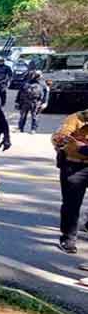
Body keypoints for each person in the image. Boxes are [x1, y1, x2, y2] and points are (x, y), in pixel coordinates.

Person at [51, 109, 88, 254]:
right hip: (75, 166)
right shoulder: (75, 118)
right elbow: (61, 137)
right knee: (71, 204)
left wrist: (81, 147)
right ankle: (68, 237)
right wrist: (61, 139)